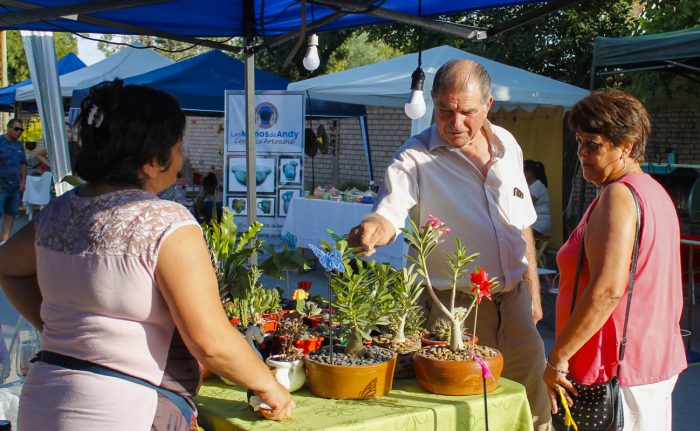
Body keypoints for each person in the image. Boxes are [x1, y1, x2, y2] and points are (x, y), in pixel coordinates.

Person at [0, 80, 294, 430]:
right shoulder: (164, 223)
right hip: (122, 411)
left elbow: (8, 268)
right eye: (179, 147)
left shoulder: (57, 213)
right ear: (153, 162)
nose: (182, 160)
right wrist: (268, 386)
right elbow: (211, 343)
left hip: (44, 402)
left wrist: (61, 330)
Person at [348, 59, 551, 430]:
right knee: (464, 414)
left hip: (516, 304)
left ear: (488, 106)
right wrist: (372, 229)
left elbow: (522, 224)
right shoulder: (414, 158)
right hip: (454, 310)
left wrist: (533, 292)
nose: (456, 123)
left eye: (467, 112)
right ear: (433, 102)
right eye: (445, 110)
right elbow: (389, 214)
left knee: (532, 407)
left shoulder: (507, 144)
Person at [543, 89, 686, 430]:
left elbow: (607, 289)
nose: (581, 153)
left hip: (616, 369)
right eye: (579, 141)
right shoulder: (652, 192)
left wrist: (558, 357)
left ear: (627, 145)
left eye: (593, 144)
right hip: (646, 362)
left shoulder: (619, 196)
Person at [0, 118, 28, 242]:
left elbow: (23, 164)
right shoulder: (1, 141)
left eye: (21, 130)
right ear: (9, 127)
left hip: (15, 187)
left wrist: (23, 182)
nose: (19, 132)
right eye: (16, 129)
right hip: (1, 187)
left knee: (10, 216)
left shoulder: (19, 145)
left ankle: (3, 244)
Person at [524, 159, 551, 236]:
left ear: (531, 173)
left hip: (538, 224)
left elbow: (527, 205)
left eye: (524, 172)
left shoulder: (537, 186)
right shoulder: (531, 186)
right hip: (533, 223)